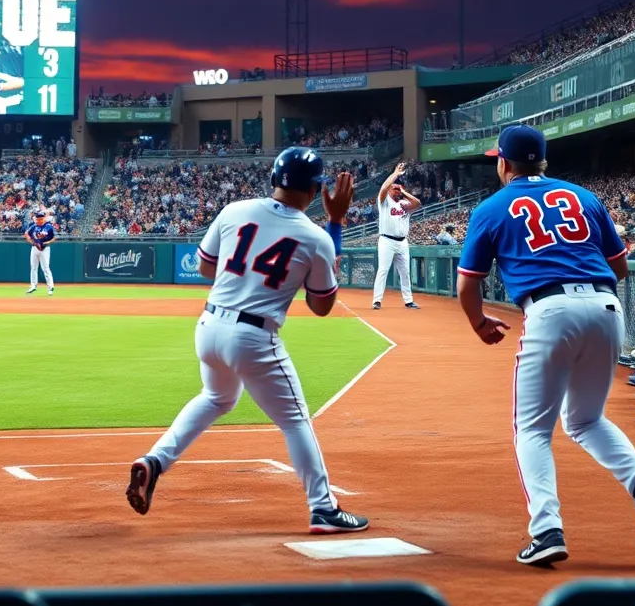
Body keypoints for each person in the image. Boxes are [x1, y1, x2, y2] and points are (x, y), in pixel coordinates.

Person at [456, 123, 635, 565]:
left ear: (503, 163)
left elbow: (467, 283)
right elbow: (619, 266)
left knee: (533, 430)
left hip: (549, 310)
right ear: (543, 160)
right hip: (605, 307)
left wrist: (478, 322)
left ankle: (546, 531)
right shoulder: (584, 197)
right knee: (585, 419)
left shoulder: (492, 207)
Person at [125, 147, 368, 534]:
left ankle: (155, 461)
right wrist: (336, 222)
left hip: (209, 326)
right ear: (315, 190)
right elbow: (322, 306)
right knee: (294, 420)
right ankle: (323, 508)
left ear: (274, 179)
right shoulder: (316, 237)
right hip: (253, 336)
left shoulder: (234, 210)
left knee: (216, 398)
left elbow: (205, 266)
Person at [371, 161, 420, 310]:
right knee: (383, 270)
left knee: (405, 272)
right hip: (386, 240)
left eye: (398, 189)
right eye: (395, 189)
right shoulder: (384, 201)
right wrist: (395, 174)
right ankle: (377, 300)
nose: (397, 191)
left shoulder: (404, 203)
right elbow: (384, 188)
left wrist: (403, 192)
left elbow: (418, 203)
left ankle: (408, 300)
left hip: (402, 242)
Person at [24, 209, 56, 295]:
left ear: (44, 218)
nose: (39, 219)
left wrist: (48, 242)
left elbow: (54, 237)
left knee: (45, 268)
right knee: (33, 267)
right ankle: (33, 286)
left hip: (45, 248)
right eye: (38, 218)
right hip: (35, 248)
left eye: (41, 218)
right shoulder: (34, 226)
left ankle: (50, 287)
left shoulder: (49, 226)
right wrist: (31, 241)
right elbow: (26, 233)